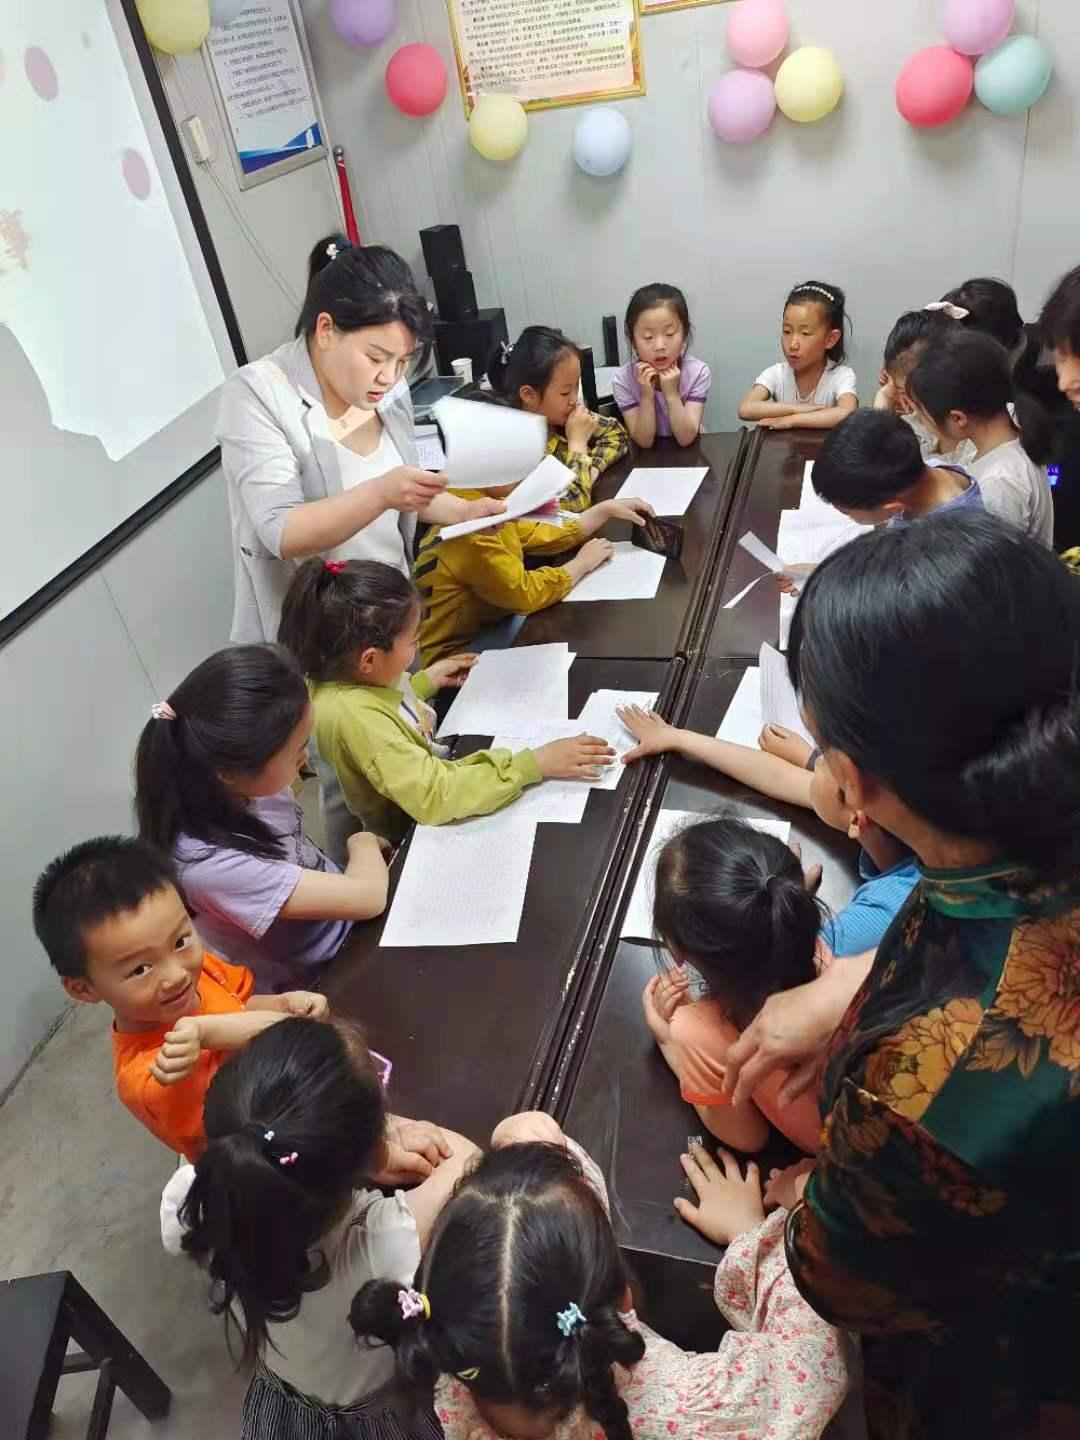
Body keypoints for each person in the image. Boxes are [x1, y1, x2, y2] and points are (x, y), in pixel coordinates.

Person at [723, 513, 1080, 1429]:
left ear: (854, 783)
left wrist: (808, 1195)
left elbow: (843, 1280)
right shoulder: (1026, 822)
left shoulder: (926, 1099)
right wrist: (849, 985)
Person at [348, 1113, 851, 1440]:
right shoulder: (685, 1407)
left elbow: (525, 1142)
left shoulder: (446, 1365)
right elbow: (812, 1366)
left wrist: (524, 1150)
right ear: (625, 1297)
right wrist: (757, 1238)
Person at [163, 1017, 478, 1440]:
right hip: (377, 1423)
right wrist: (386, 1138)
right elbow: (468, 1161)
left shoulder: (201, 1203)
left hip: (285, 1410)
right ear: (366, 1151)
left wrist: (363, 1142)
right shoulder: (382, 1247)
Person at [218, 236, 504, 645]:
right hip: (316, 640)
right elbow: (283, 531)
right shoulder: (258, 394)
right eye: (375, 357)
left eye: (402, 361)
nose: (388, 376)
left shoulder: (388, 389)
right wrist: (382, 493)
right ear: (325, 329)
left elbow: (403, 490)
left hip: (389, 616)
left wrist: (462, 511)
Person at [278, 559, 613, 845]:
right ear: (369, 659)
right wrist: (535, 764)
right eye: (414, 641)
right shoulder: (357, 720)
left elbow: (383, 701)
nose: (417, 650)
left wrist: (425, 682)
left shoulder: (340, 674)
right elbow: (435, 794)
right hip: (403, 834)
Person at [31, 837, 327, 1160]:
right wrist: (220, 1031)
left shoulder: (193, 972)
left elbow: (236, 1004)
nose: (175, 975)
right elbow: (236, 1136)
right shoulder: (153, 1076)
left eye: (180, 941)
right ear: (84, 989)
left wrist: (283, 1004)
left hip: (294, 1089)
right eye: (140, 969)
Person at [134, 645, 388, 993]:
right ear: (230, 772)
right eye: (295, 751)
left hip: (349, 930)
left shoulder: (248, 786)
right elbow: (368, 896)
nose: (304, 758)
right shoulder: (208, 863)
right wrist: (362, 840)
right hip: (320, 982)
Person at [618, 705, 918, 959]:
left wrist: (788, 908)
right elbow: (779, 775)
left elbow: (795, 979)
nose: (816, 762)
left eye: (824, 758)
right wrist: (677, 737)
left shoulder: (879, 918)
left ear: (856, 817)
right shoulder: (890, 811)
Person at [414, 491, 655, 666]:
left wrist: (605, 510)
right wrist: (581, 564)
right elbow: (525, 594)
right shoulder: (474, 532)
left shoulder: (481, 501)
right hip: (456, 654)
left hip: (492, 620)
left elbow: (545, 535)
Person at [906, 327, 1054, 546]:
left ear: (958, 418)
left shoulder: (998, 483)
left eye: (922, 414)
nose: (919, 420)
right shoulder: (1002, 442)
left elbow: (992, 570)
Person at [487, 327, 630, 512]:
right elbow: (574, 501)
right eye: (565, 392)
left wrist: (591, 469)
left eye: (576, 386)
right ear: (529, 395)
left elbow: (617, 433)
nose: (575, 399)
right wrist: (578, 443)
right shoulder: (521, 450)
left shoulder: (562, 414)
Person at [809, 408, 984, 529]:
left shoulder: (944, 538)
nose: (848, 518)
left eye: (848, 514)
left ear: (892, 508)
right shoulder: (925, 473)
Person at [738, 281, 857, 431]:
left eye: (805, 333)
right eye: (787, 331)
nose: (793, 344)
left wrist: (792, 420)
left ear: (830, 339)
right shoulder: (776, 374)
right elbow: (746, 408)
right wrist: (799, 409)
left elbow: (847, 412)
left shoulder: (841, 375)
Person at [610, 283, 711, 448]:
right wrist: (646, 396)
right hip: (647, 463)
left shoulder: (698, 372)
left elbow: (686, 439)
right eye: (648, 337)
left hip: (691, 456)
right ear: (632, 340)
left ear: (685, 333)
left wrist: (671, 394)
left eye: (670, 334)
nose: (659, 346)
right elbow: (645, 442)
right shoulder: (623, 380)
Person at [872, 307, 975, 464]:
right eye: (900, 391)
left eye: (910, 392)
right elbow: (873, 457)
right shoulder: (917, 424)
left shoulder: (978, 443)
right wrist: (884, 396)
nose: (907, 402)